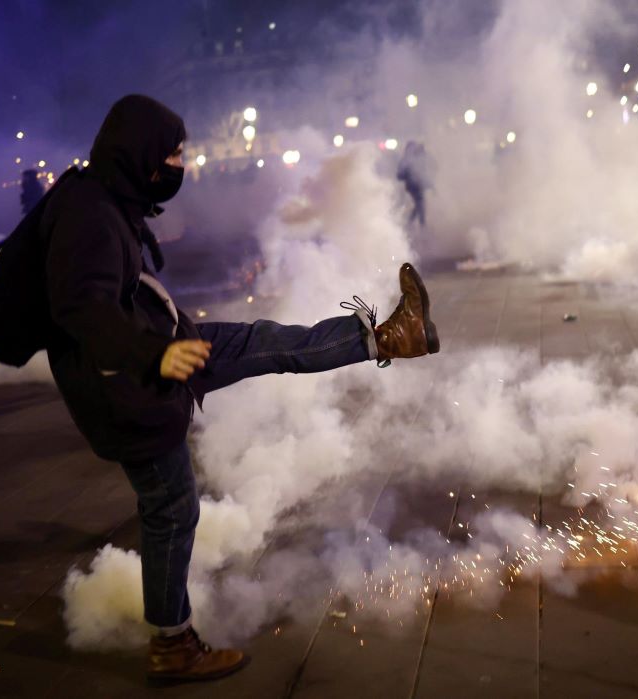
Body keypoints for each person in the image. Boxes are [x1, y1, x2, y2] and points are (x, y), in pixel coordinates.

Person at [41, 94, 440, 684]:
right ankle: (172, 645)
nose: (181, 164)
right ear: (142, 155)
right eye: (173, 154)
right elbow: (83, 307)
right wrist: (155, 352)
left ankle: (391, 338)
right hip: (133, 383)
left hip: (164, 349)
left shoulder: (102, 198)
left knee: (264, 342)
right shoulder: (91, 216)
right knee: (171, 509)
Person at [397, 141, 431, 227]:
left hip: (418, 185)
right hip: (413, 185)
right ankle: (421, 225)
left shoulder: (416, 158)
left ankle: (410, 223)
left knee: (419, 205)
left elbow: (425, 170)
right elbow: (399, 175)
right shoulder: (405, 160)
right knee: (420, 205)